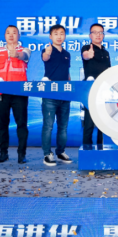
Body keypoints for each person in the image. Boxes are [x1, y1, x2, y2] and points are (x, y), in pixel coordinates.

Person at [0, 25, 31, 164]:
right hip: (1, 93)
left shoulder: (25, 50)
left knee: (21, 124)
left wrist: (16, 55)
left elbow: (25, 56)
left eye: (14, 32)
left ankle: (21, 154)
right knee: (2, 124)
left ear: (19, 36)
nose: (11, 35)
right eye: (8, 33)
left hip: (19, 92)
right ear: (4, 36)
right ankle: (3, 153)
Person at [41, 24, 72, 166]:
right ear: (50, 36)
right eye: (56, 34)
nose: (59, 36)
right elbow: (45, 58)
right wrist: (47, 53)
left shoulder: (67, 54)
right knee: (48, 126)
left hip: (64, 95)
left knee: (63, 127)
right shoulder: (47, 50)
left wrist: (70, 88)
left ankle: (60, 152)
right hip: (50, 95)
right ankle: (47, 154)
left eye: (62, 33)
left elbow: (67, 73)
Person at [81, 23, 111, 147]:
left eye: (101, 32)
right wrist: (88, 55)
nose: (98, 35)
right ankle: (87, 149)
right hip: (90, 90)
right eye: (95, 32)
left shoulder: (106, 52)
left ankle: (100, 148)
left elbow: (109, 71)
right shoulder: (86, 48)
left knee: (102, 121)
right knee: (89, 122)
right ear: (90, 35)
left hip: (104, 90)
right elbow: (85, 56)